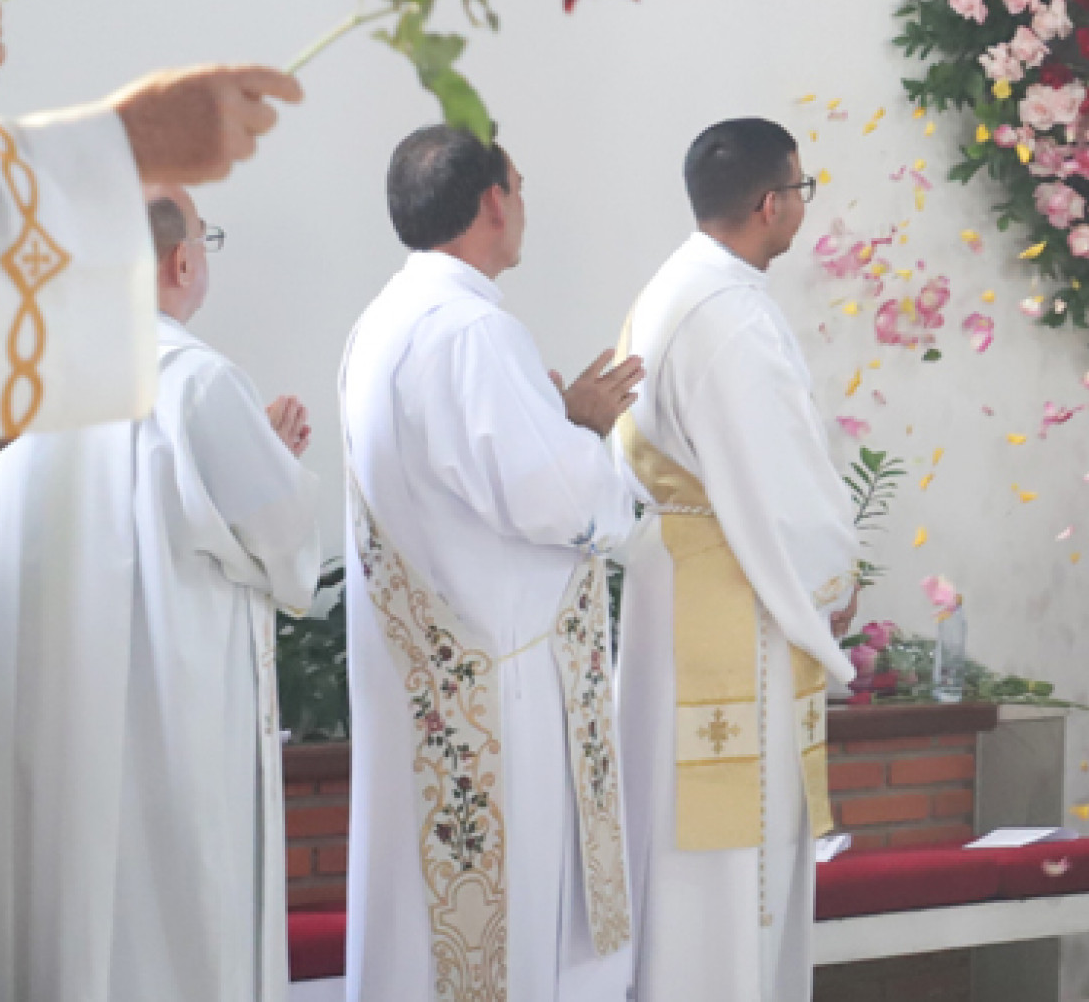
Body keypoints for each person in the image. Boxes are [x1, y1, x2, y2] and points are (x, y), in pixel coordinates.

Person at [0, 183, 317, 1001]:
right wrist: (273, 459)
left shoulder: (26, 387)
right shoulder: (197, 381)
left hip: (59, 733)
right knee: (174, 929)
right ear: (180, 261)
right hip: (170, 733)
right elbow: (285, 543)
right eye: (206, 237)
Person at [340, 126, 646, 1002]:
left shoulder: (384, 320)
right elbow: (565, 503)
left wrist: (552, 425)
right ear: (492, 203)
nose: (523, 206)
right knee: (505, 940)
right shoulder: (474, 330)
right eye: (520, 186)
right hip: (499, 693)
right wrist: (586, 428)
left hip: (434, 681)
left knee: (422, 935)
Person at [615, 120, 862, 1002]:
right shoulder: (729, 312)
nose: (801, 205)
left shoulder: (673, 286)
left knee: (677, 828)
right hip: (727, 587)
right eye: (801, 189)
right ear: (770, 203)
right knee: (730, 849)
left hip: (679, 575)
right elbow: (780, 477)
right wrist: (834, 579)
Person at [0, 0, 305, 462]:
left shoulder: (46, 370)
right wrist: (123, 140)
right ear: (182, 262)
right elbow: (263, 511)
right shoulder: (200, 378)